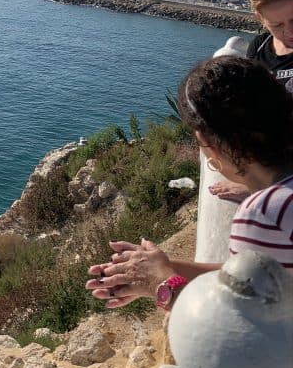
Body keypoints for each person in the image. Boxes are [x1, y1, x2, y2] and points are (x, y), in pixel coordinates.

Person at [86, 56, 293, 309]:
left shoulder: (264, 212)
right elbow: (256, 278)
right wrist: (164, 267)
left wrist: (158, 283)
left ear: (207, 141)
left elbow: (236, 322)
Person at [214, 0, 293, 201]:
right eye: (277, 25)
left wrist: (258, 185)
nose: (289, 31)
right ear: (260, 19)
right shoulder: (258, 47)